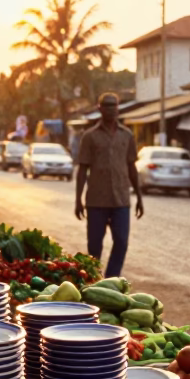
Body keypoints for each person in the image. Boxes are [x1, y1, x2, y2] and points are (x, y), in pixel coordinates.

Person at [75, 92, 143, 278]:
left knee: (121, 242)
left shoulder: (126, 135)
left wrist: (139, 197)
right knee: (94, 247)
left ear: (118, 108)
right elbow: (82, 170)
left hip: (121, 200)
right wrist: (78, 200)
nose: (111, 109)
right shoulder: (90, 136)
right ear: (100, 108)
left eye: (114, 105)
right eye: (107, 106)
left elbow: (132, 167)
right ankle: (93, 282)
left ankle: (111, 280)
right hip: (97, 200)